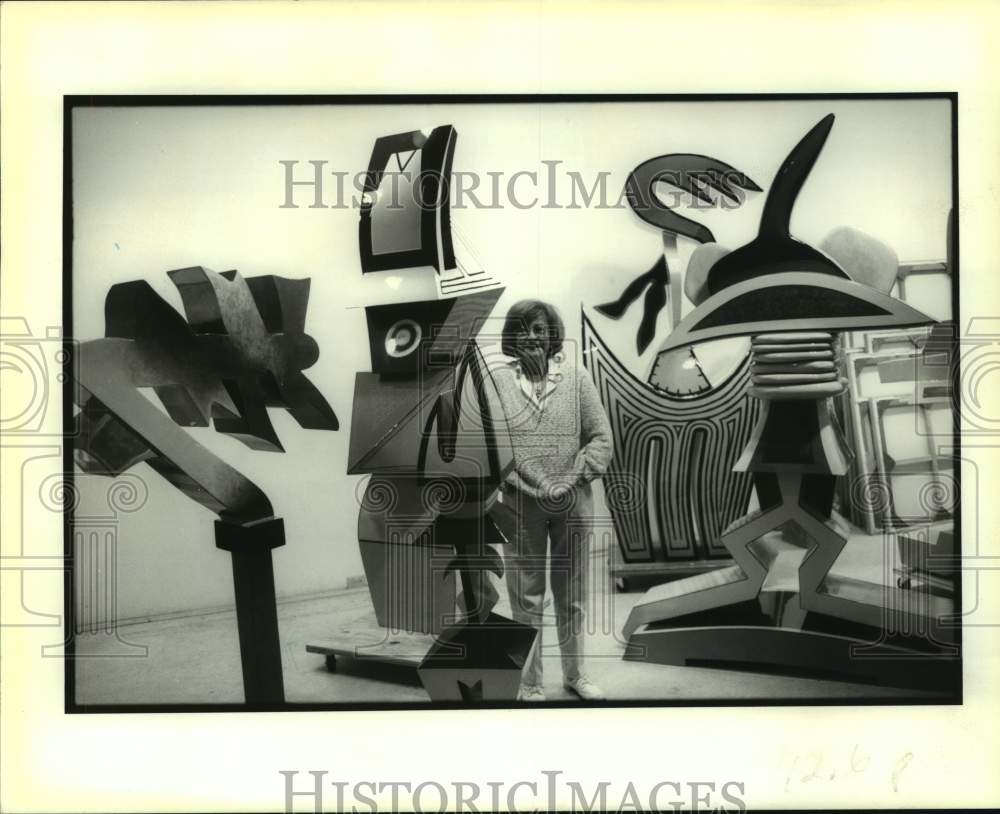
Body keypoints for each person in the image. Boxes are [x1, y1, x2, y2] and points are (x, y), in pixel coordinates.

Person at [489, 299, 613, 701]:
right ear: (511, 336)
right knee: (525, 596)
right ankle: (529, 683)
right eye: (522, 328)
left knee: (572, 592)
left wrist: (571, 479)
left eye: (539, 329)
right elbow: (494, 444)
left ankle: (576, 675)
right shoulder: (497, 382)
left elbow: (600, 437)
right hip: (519, 504)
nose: (532, 336)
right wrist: (538, 484)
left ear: (551, 334)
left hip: (573, 502)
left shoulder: (575, 376)